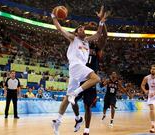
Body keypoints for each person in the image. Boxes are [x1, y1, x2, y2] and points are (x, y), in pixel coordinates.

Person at [51, 6, 107, 135]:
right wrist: (53, 16)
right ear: (76, 33)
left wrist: (101, 21)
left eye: (83, 28)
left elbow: (99, 34)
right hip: (76, 66)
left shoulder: (87, 41)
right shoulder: (73, 38)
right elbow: (59, 28)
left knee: (67, 98)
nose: (83, 29)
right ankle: (74, 94)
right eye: (80, 29)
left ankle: (57, 120)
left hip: (76, 71)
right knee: (96, 78)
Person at [71, 6, 109, 135]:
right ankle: (77, 119)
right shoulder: (78, 43)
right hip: (79, 77)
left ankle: (86, 130)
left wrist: (101, 22)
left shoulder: (96, 46)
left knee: (87, 106)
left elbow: (104, 36)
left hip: (90, 78)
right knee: (72, 100)